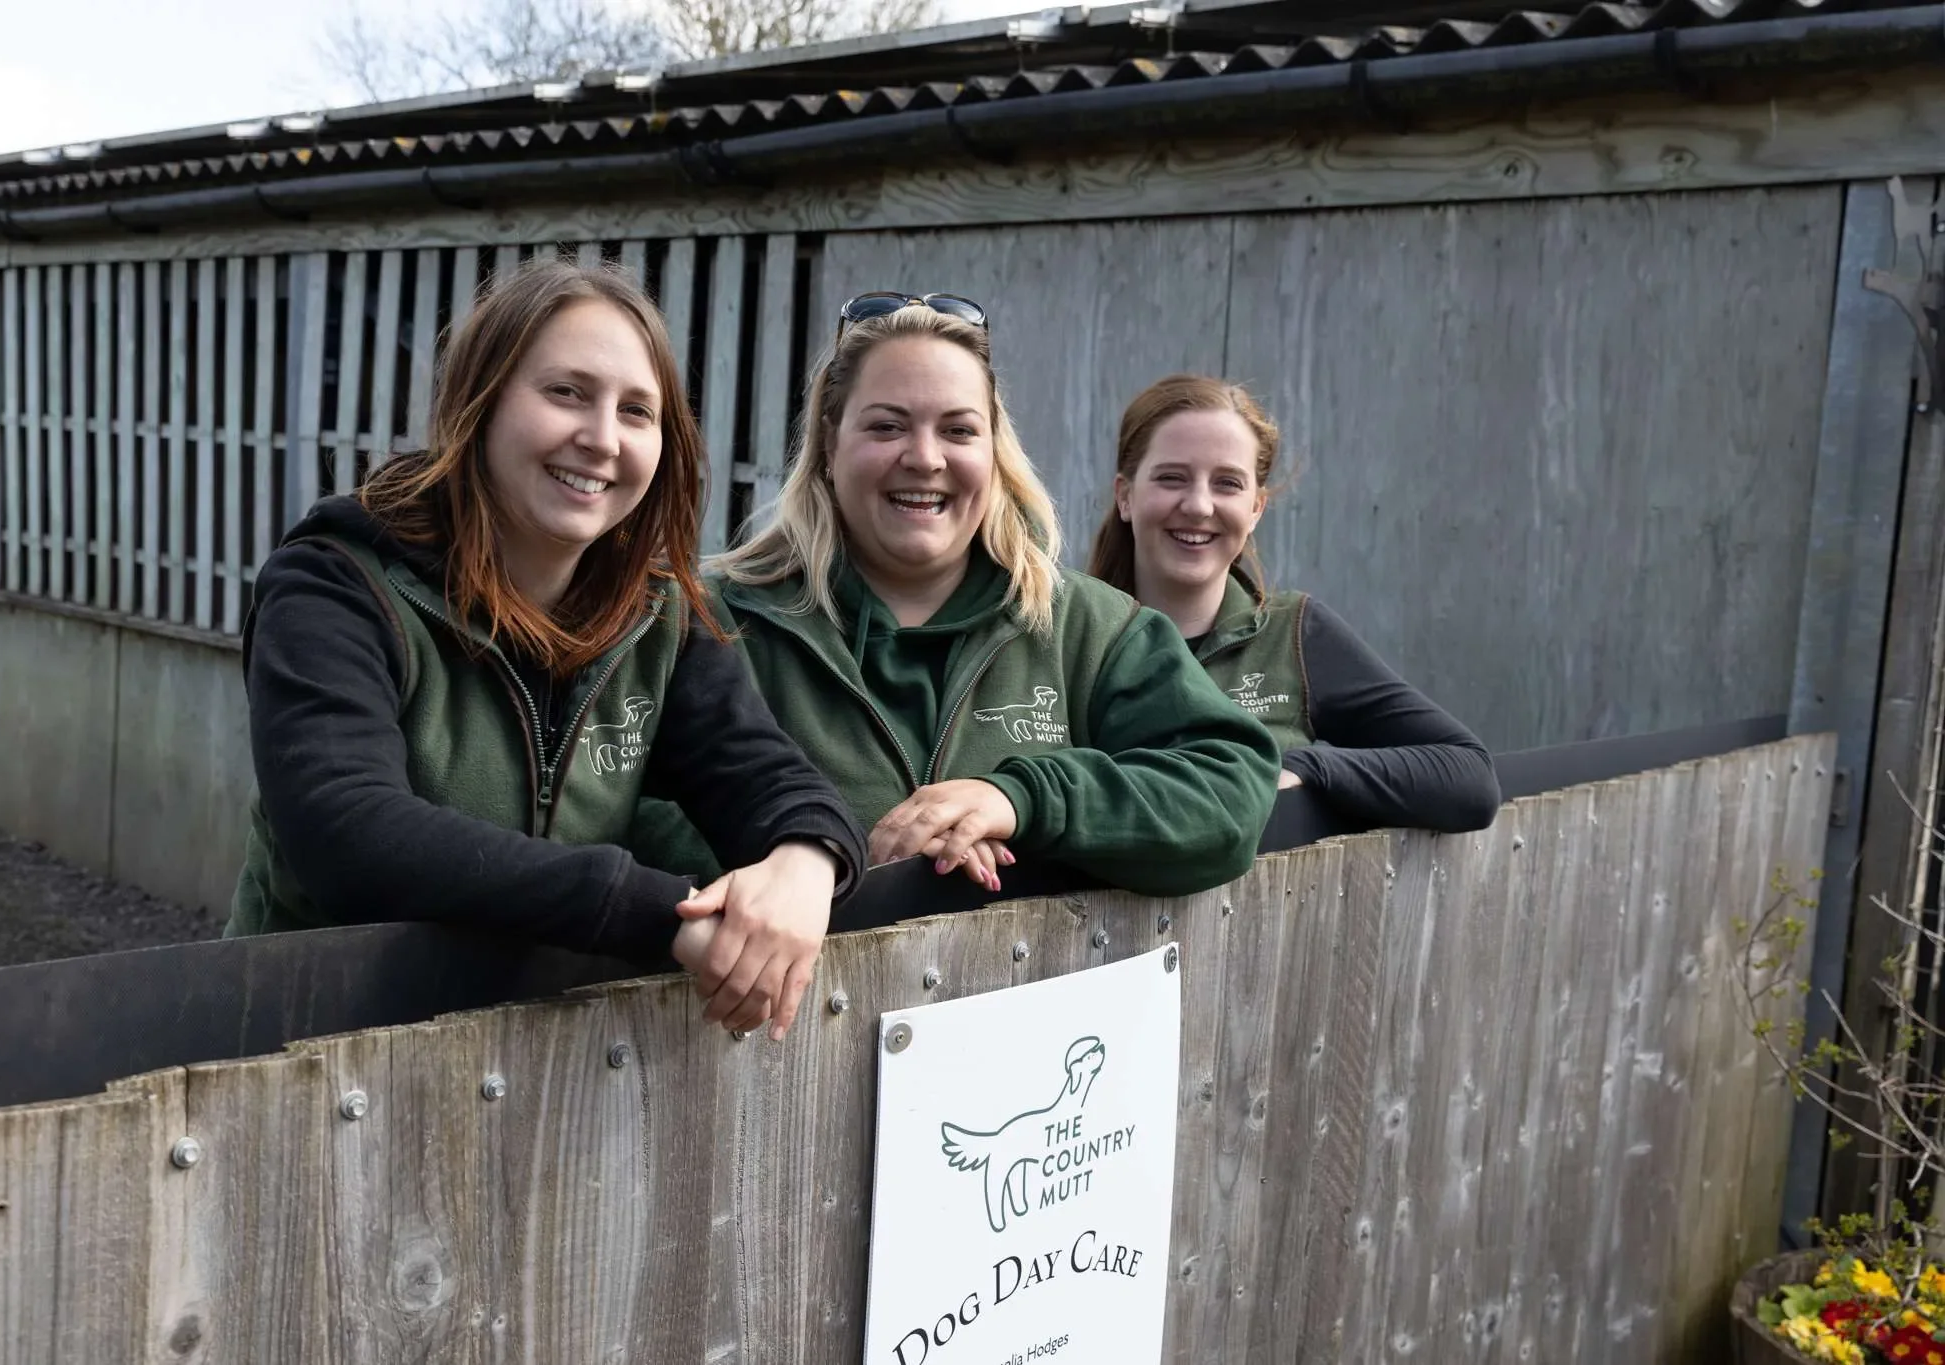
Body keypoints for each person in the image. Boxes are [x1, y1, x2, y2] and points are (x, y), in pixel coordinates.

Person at [226, 260, 866, 1041]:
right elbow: (349, 833)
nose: (601, 439)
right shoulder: (335, 583)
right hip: (309, 1046)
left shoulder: (659, 612)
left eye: (637, 411)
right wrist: (649, 911)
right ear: (482, 400)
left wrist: (807, 858)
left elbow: (764, 773)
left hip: (536, 1057)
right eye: (566, 392)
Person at [637, 293, 1281, 896]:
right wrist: (833, 853)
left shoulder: (1086, 627)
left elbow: (1231, 790)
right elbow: (626, 806)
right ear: (830, 445)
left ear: (994, 450)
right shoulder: (710, 618)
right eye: (888, 427)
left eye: (958, 430)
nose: (924, 457)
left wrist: (1017, 802)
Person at [1088, 374, 1500, 834]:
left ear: (1256, 508)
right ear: (1125, 495)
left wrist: (1307, 768)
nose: (1200, 505)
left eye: (1227, 483)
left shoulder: (1295, 636)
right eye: (1172, 478)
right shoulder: (1068, 637)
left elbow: (1469, 779)